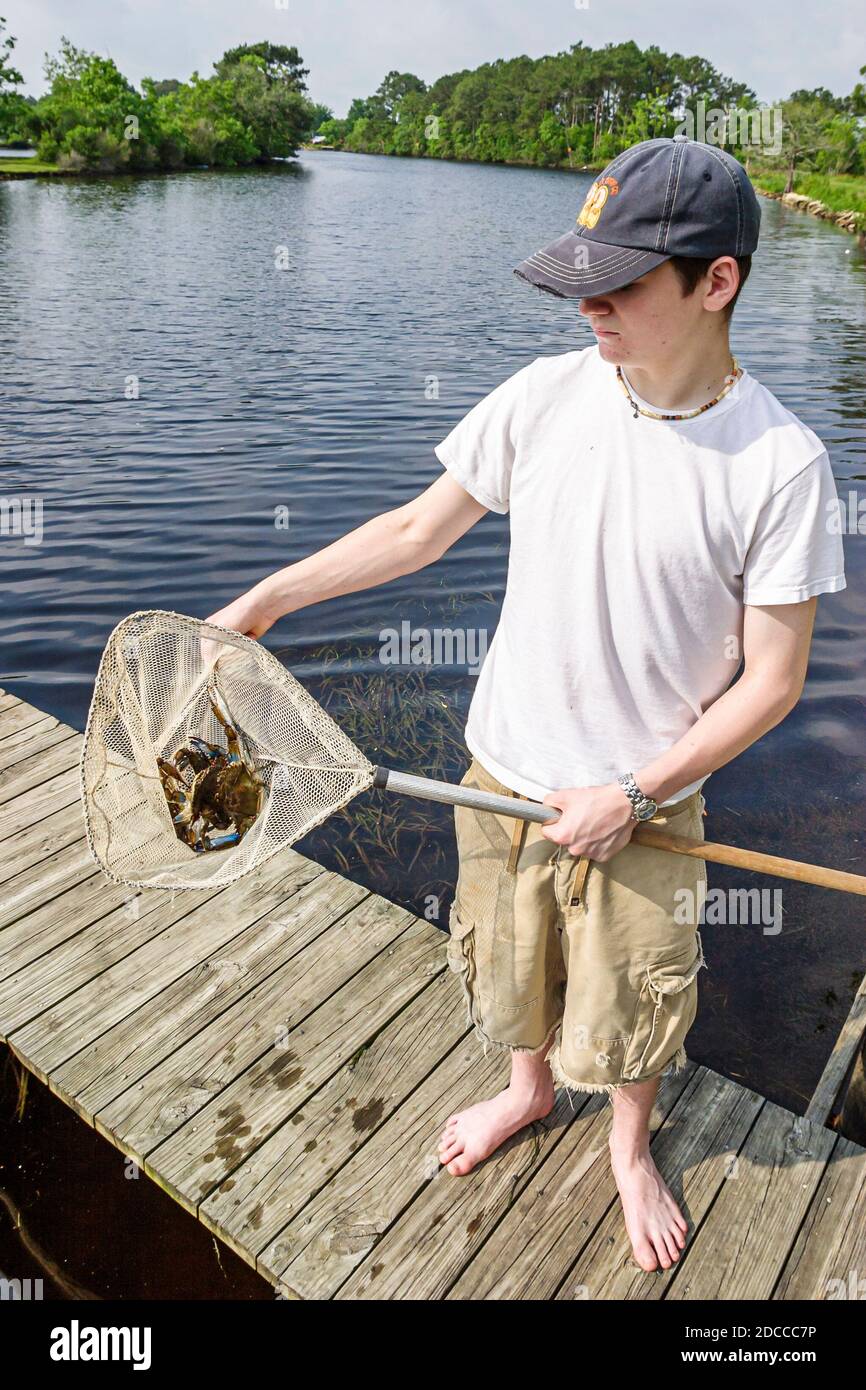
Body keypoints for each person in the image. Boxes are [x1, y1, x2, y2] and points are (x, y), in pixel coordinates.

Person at [205, 135, 847, 1275]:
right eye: (580, 278)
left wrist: (636, 789)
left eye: (621, 284)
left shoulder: (779, 465)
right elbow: (414, 531)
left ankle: (630, 1141)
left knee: (633, 992)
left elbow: (772, 680)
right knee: (506, 965)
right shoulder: (546, 397)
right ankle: (526, 1091)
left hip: (643, 805)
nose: (587, 307)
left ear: (717, 282)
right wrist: (264, 598)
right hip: (498, 769)